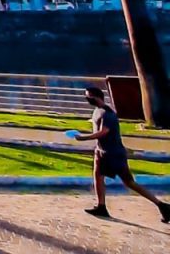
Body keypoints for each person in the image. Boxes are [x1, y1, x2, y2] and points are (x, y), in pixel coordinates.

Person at [73, 86, 170, 221]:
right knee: (98, 175)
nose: (87, 99)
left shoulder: (108, 114)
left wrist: (83, 137)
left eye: (89, 97)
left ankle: (162, 205)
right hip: (102, 152)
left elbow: (103, 132)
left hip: (113, 154)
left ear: (97, 97)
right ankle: (101, 206)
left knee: (129, 182)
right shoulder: (97, 111)